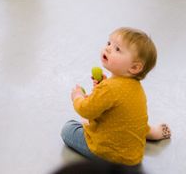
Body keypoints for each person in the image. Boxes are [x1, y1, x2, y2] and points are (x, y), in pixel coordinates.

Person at [63, 28, 171, 167]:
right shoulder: (136, 87)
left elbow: (86, 110)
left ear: (134, 67)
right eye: (109, 43)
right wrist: (101, 85)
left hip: (109, 155)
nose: (108, 49)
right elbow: (115, 103)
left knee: (68, 129)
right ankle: (151, 133)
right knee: (131, 121)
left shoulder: (109, 88)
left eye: (117, 49)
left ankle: (90, 131)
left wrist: (78, 97)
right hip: (133, 155)